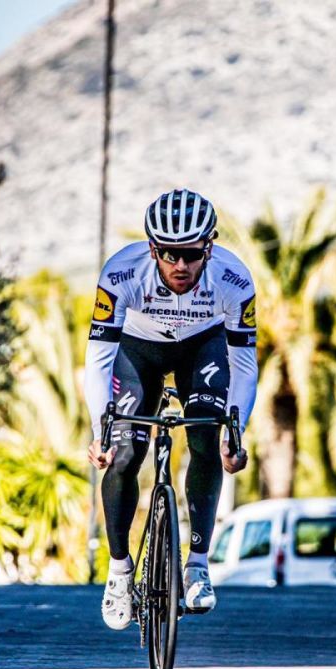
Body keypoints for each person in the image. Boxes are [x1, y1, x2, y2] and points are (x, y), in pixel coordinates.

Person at [85, 188, 258, 630]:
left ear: (209, 248)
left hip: (202, 347)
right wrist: (100, 432)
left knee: (205, 435)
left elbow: (243, 365)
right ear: (152, 249)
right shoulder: (121, 273)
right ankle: (119, 571)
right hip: (137, 351)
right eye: (168, 254)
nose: (181, 265)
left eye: (192, 254)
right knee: (123, 455)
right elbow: (99, 360)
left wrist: (235, 433)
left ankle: (197, 565)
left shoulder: (235, 280)